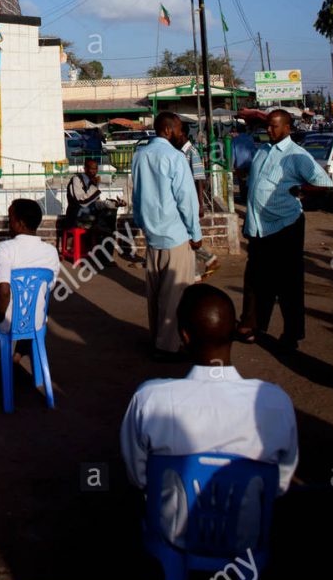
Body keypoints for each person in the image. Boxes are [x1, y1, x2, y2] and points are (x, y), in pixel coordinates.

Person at [120, 284, 298, 548]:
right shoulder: (275, 402)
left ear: (184, 336)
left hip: (174, 534)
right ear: (234, 332)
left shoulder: (150, 399)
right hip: (247, 535)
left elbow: (138, 477)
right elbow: (280, 483)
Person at [236, 108, 332, 351]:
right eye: (268, 125)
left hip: (285, 226)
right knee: (255, 279)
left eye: (275, 126)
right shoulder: (263, 151)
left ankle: (292, 334)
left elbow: (323, 183)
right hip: (259, 228)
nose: (269, 129)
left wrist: (301, 190)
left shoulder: (296, 155)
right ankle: (251, 326)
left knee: (288, 283)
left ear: (287, 128)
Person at [131, 112, 202, 358]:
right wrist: (195, 232)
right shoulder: (175, 157)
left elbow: (137, 196)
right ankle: (169, 346)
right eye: (180, 129)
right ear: (168, 130)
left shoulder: (139, 156)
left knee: (155, 293)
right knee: (175, 294)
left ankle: (157, 338)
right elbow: (187, 200)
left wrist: (143, 224)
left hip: (152, 236)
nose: (182, 134)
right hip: (176, 235)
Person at [0, 199, 59, 337]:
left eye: (10, 220)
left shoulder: (4, 249)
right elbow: (49, 287)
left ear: (20, 224)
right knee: (32, 308)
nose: (8, 224)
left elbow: (4, 292)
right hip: (36, 322)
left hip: (7, 322)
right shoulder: (51, 251)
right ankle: (18, 354)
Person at [177, 128, 218, 279]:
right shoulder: (181, 152)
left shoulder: (191, 152)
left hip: (191, 201)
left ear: (183, 135)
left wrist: (200, 204)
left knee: (188, 237)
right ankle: (205, 263)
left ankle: (200, 267)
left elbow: (199, 180)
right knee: (186, 237)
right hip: (185, 200)